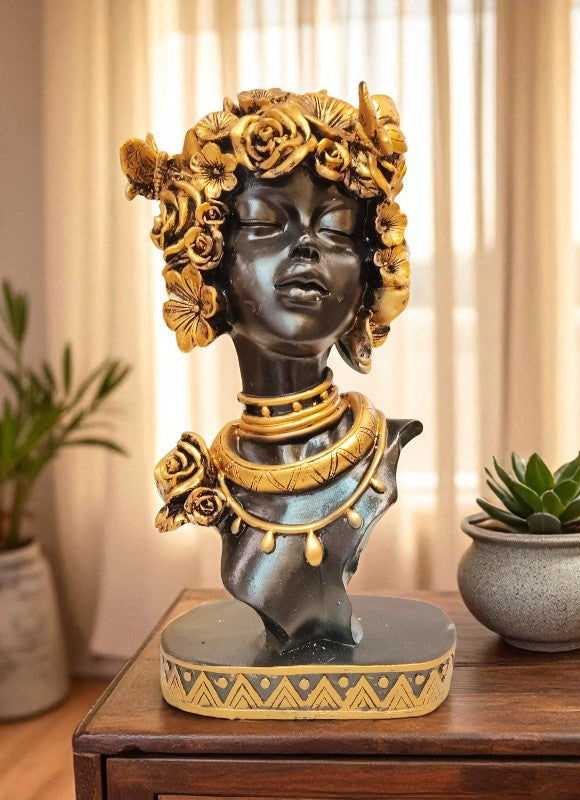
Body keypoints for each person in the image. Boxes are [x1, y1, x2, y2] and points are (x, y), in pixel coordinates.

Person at [121, 84, 421, 652]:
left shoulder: (382, 450)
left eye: (335, 228)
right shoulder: (213, 480)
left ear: (369, 275)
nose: (307, 246)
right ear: (205, 262)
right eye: (263, 222)